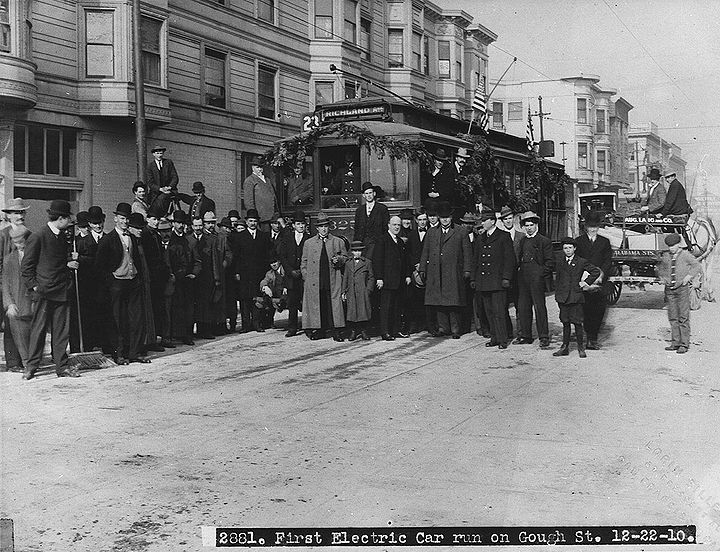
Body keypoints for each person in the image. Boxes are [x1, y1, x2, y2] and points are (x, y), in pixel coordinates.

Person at [21, 200, 79, 380]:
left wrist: (71, 259)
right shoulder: (38, 236)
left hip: (62, 289)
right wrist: (35, 286)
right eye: (68, 218)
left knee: (62, 331)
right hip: (44, 292)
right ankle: (31, 367)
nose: (70, 221)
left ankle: (61, 366)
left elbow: (58, 260)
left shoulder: (62, 235)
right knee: (38, 330)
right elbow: (26, 267)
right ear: (60, 218)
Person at [96, 203, 149, 365]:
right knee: (117, 320)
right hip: (116, 284)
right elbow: (99, 265)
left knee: (136, 318)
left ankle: (135, 352)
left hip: (133, 282)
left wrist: (138, 278)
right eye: (122, 218)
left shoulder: (132, 237)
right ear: (116, 219)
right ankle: (118, 354)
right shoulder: (108, 239)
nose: (125, 222)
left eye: (127, 219)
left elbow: (137, 261)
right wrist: (110, 281)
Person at [419, 201, 472, 338]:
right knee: (439, 302)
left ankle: (455, 329)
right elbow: (425, 251)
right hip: (436, 272)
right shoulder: (431, 232)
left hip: (453, 272)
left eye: (447, 217)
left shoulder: (460, 231)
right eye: (442, 218)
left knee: (453, 302)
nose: (445, 220)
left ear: (451, 217)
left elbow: (467, 252)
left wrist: (467, 270)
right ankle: (443, 327)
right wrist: (423, 268)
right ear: (439, 218)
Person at [471, 208, 516, 350]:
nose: (483, 223)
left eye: (485, 220)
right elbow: (476, 260)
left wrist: (506, 277)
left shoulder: (503, 236)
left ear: (492, 221)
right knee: (489, 312)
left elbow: (510, 259)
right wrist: (474, 278)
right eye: (482, 220)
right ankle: (494, 337)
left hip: (498, 282)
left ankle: (503, 339)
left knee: (499, 311)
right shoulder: (481, 238)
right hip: (484, 282)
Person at [301, 211, 348, 341]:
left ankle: (336, 331)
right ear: (317, 228)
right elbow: (303, 262)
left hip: (332, 279)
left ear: (329, 227)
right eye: (321, 226)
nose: (324, 229)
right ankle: (320, 330)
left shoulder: (338, 242)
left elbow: (345, 258)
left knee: (333, 304)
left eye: (326, 226)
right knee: (318, 304)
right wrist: (307, 277)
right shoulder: (309, 243)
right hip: (315, 281)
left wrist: (339, 259)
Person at [552, 238, 601, 358]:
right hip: (563, 296)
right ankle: (564, 347)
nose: (567, 250)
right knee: (565, 322)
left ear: (574, 248)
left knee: (578, 322)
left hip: (575, 296)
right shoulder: (559, 261)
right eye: (565, 248)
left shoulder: (581, 261)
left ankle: (580, 347)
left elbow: (595, 272)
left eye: (570, 248)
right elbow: (555, 276)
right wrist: (557, 292)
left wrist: (585, 282)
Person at [656, 233, 702, 354]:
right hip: (669, 290)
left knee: (683, 317)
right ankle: (675, 342)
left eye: (673, 246)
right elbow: (660, 268)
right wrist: (662, 278)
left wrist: (688, 276)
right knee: (672, 317)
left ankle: (684, 344)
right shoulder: (666, 256)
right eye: (669, 246)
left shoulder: (686, 255)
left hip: (682, 290)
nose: (671, 248)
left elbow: (697, 266)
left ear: (678, 245)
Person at [514, 211, 554, 348]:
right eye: (527, 225)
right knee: (524, 307)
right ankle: (526, 335)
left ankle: (543, 336)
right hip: (523, 278)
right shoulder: (523, 241)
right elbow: (518, 259)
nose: (529, 228)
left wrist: (540, 274)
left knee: (539, 307)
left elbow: (549, 262)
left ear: (536, 225)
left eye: (531, 225)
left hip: (537, 279)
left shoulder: (544, 241)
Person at [0, 198, 31, 372]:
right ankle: (13, 362)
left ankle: (27, 358)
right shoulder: (3, 235)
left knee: (24, 322)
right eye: (16, 213)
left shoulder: (29, 234)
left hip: (24, 286)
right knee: (10, 323)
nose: (20, 216)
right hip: (6, 286)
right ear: (8, 216)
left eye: (22, 212)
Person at [575, 210, 613, 350]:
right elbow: (577, 260)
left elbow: (608, 261)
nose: (593, 229)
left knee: (598, 310)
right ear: (586, 227)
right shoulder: (579, 241)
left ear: (599, 227)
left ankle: (593, 338)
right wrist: (584, 276)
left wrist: (601, 275)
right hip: (584, 280)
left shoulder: (604, 242)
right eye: (590, 227)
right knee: (585, 309)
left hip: (599, 281)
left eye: (595, 227)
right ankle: (586, 335)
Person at [373, 216, 412, 341]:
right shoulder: (382, 240)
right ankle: (385, 332)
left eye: (398, 225)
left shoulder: (400, 242)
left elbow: (404, 261)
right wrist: (379, 278)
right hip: (387, 280)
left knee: (397, 306)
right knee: (386, 307)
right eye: (394, 224)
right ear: (389, 225)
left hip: (399, 281)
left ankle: (395, 330)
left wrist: (406, 275)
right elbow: (377, 260)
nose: (396, 227)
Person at [234, 208, 271, 332]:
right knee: (245, 299)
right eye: (250, 221)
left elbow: (266, 255)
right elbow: (237, 256)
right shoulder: (240, 237)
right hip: (245, 273)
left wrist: (265, 273)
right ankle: (246, 325)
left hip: (258, 273)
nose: (253, 223)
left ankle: (257, 324)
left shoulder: (263, 236)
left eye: (255, 221)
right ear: (246, 222)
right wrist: (237, 272)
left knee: (257, 299)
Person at [167, 210, 200, 345]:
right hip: (173, 280)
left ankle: (187, 335)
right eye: (178, 223)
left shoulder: (190, 241)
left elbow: (197, 261)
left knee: (188, 308)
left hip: (187, 280)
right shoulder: (168, 239)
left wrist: (194, 273)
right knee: (174, 308)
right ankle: (174, 334)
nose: (180, 225)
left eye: (182, 223)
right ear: (173, 223)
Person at [277, 210, 308, 337]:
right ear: (293, 225)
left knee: (306, 302)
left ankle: (307, 326)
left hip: (304, 276)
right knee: (292, 303)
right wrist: (290, 271)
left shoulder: (309, 238)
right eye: (298, 224)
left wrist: (302, 271)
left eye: (303, 224)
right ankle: (292, 327)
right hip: (291, 276)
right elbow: (282, 256)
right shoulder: (287, 238)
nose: (301, 226)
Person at [497, 205, 522, 339]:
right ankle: (507, 332)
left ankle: (521, 332)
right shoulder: (499, 237)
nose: (508, 221)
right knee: (503, 304)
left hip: (518, 276)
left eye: (510, 218)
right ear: (502, 221)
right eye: (505, 219)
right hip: (504, 277)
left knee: (520, 304)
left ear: (514, 219)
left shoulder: (521, 236)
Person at [342, 240, 375, 341]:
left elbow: (371, 277)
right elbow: (346, 278)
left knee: (363, 311)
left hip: (362, 291)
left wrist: (368, 289)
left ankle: (364, 331)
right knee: (352, 312)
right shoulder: (348, 263)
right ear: (352, 252)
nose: (357, 253)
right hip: (351, 291)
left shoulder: (367, 262)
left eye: (359, 251)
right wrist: (344, 291)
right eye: (355, 251)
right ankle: (353, 331)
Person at [353, 181, 390, 259]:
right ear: (363, 195)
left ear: (374, 194)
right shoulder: (359, 210)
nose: (369, 195)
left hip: (377, 244)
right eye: (366, 193)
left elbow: (385, 228)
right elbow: (357, 229)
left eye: (370, 193)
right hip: (362, 244)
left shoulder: (382, 208)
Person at [244, 156, 277, 224]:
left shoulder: (267, 180)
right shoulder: (250, 180)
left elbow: (274, 196)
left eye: (261, 167)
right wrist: (253, 217)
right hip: (261, 218)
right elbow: (248, 201)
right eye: (257, 167)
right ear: (252, 167)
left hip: (273, 218)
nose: (260, 169)